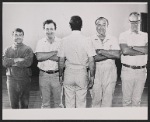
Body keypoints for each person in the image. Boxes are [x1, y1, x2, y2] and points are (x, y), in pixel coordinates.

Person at [58, 15, 96, 108]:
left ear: (70, 26)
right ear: (81, 26)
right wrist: (92, 77)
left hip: (69, 73)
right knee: (81, 104)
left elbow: (61, 61)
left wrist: (60, 75)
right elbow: (91, 61)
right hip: (81, 73)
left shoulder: (64, 40)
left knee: (69, 103)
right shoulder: (87, 40)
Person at [90, 17, 120, 107]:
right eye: (99, 24)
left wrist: (101, 51)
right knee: (95, 100)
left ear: (107, 26)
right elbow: (92, 58)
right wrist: (109, 53)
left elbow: (117, 55)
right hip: (95, 72)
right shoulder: (90, 39)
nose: (101, 27)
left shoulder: (113, 39)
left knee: (108, 101)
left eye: (104, 25)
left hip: (110, 72)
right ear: (95, 26)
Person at [119, 12, 148, 107]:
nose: (134, 24)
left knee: (137, 101)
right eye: (132, 22)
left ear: (140, 21)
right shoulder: (123, 35)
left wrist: (132, 47)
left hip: (141, 72)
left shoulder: (145, 35)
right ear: (129, 22)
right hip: (128, 71)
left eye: (137, 22)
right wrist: (142, 50)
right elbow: (125, 51)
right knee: (126, 101)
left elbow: (147, 49)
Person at [3, 28, 33, 109]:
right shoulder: (7, 50)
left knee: (24, 105)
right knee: (14, 105)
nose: (18, 37)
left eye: (20, 35)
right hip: (11, 79)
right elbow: (5, 63)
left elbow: (28, 62)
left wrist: (11, 62)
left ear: (23, 36)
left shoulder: (28, 49)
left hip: (24, 79)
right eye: (16, 35)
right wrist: (18, 59)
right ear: (12, 36)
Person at [35, 19, 62, 108]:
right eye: (47, 29)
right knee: (45, 104)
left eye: (51, 29)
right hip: (43, 75)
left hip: (56, 75)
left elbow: (60, 58)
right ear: (44, 30)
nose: (49, 31)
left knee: (58, 104)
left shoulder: (61, 42)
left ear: (55, 29)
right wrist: (54, 52)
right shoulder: (40, 42)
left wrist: (45, 55)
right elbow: (39, 57)